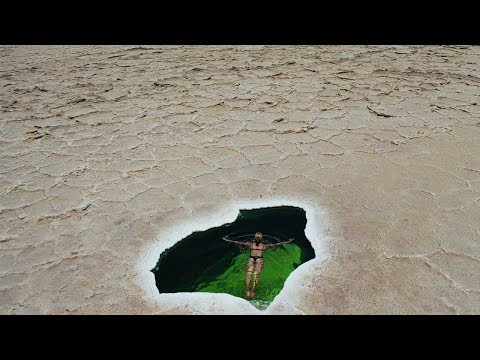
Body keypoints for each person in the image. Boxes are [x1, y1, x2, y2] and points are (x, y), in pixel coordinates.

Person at [222, 232, 293, 299]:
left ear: (255, 238)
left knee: (249, 274)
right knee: (256, 275)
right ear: (261, 239)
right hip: (259, 259)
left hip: (251, 259)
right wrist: (288, 241)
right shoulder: (264, 246)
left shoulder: (250, 244)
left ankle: (247, 290)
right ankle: (253, 291)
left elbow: (237, 242)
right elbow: (277, 244)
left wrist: (227, 239)